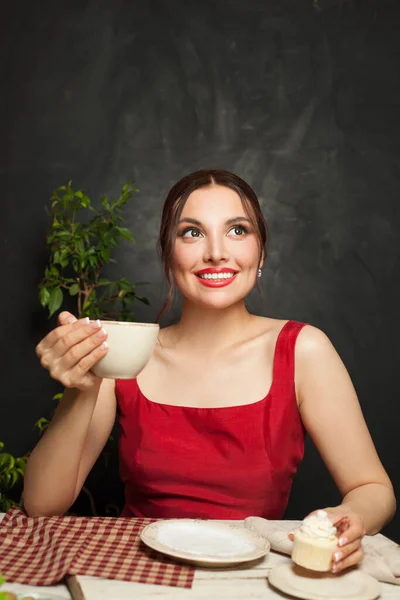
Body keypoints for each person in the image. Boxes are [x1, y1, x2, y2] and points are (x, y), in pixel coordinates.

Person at [25, 169, 396, 574]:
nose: (216, 252)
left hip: (251, 582)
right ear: (168, 253)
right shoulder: (126, 355)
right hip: (140, 576)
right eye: (192, 233)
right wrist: (83, 385)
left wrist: (350, 519)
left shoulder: (303, 350)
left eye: (237, 230)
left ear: (262, 253)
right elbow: (43, 505)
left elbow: (372, 489)